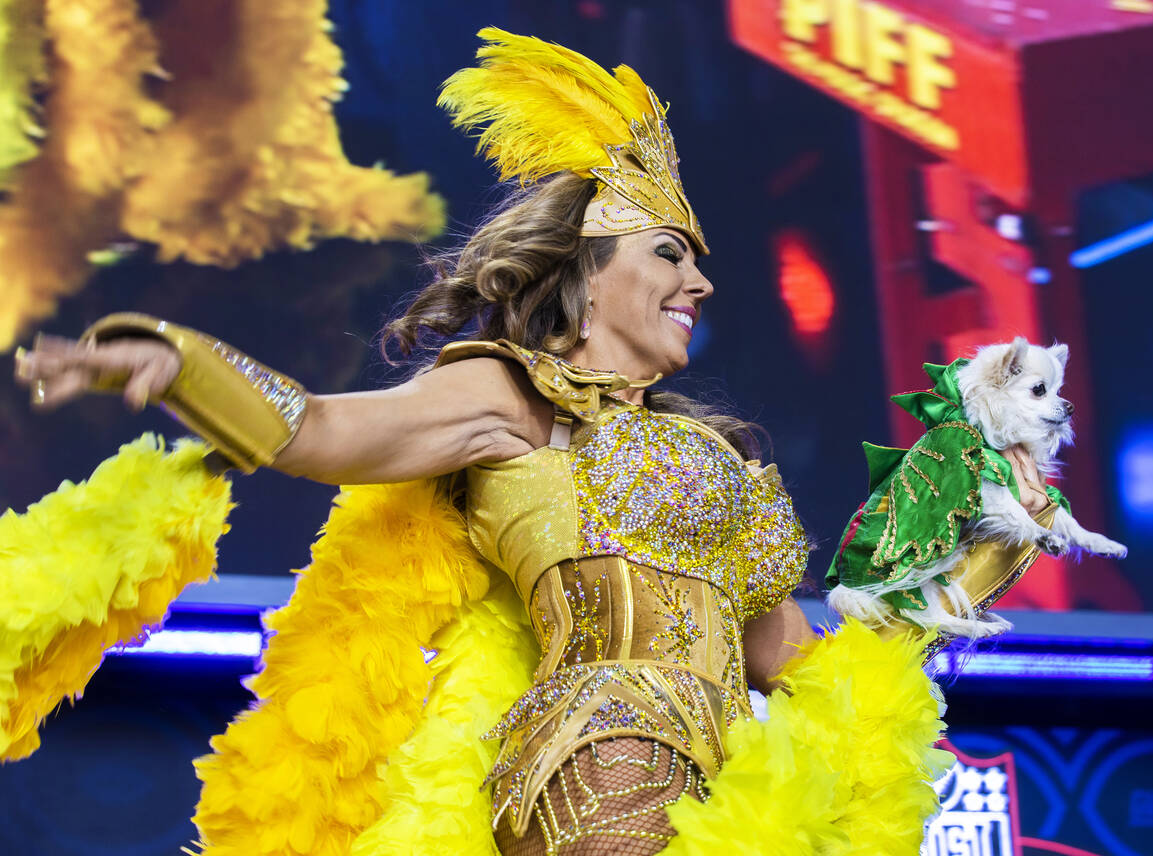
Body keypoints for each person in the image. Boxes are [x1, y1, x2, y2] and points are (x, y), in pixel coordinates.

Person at [11, 29, 952, 855]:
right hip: (601, 760)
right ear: (584, 274)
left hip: (738, 788)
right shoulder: (512, 396)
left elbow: (786, 655)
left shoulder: (724, 451)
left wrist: (960, 558)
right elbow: (318, 427)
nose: (700, 282)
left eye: (698, 261)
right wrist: (180, 363)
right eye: (670, 252)